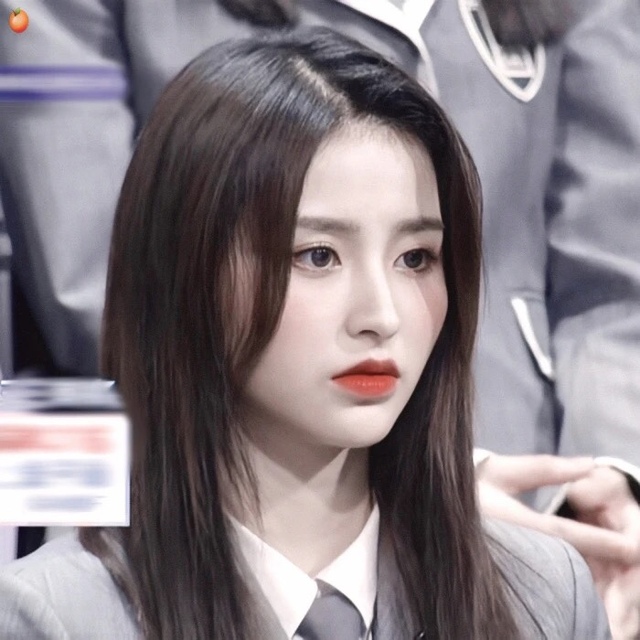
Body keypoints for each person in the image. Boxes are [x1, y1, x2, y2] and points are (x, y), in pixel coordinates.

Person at [1, 0, 639, 630]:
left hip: (511, 484)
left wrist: (610, 479)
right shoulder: (48, 613)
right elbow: (92, 274)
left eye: (417, 258)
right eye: (317, 256)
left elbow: (615, 267)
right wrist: (451, 472)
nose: (382, 314)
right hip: (144, 472)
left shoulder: (550, 590)